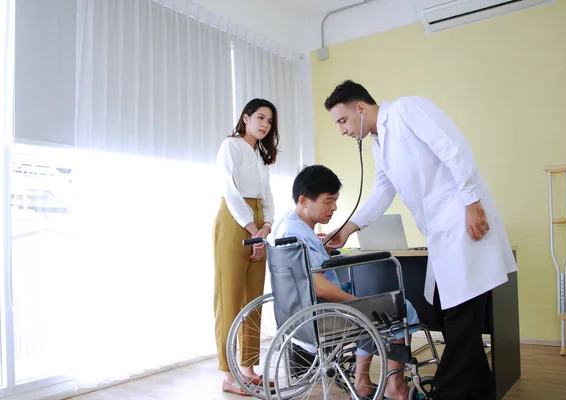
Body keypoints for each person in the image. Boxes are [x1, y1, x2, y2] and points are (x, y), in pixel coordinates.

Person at [322, 80, 518, 400]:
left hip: (461, 221)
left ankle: (447, 392)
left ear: (360, 108)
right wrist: (348, 228)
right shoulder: (378, 144)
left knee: (460, 316)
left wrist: (473, 203)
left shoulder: (406, 109)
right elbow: (382, 193)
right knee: (448, 312)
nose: (341, 130)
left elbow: (452, 147)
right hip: (442, 233)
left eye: (342, 120)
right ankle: (479, 389)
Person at [273, 164, 420, 400]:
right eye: (328, 201)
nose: (334, 207)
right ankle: (395, 386)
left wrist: (324, 253)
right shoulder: (299, 234)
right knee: (400, 307)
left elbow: (304, 277)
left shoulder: (285, 226)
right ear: (304, 200)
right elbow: (318, 285)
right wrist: (354, 301)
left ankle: (362, 383)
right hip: (323, 316)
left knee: (367, 307)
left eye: (336, 200)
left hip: (296, 315)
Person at [213, 98, 279, 396]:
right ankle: (228, 375)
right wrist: (252, 227)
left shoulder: (261, 156)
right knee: (229, 298)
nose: (265, 125)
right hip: (233, 220)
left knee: (254, 296)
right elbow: (229, 189)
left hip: (257, 222)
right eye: (260, 118)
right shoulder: (231, 146)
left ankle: (248, 367)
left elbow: (267, 196)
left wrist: (265, 228)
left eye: (269, 121)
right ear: (246, 118)